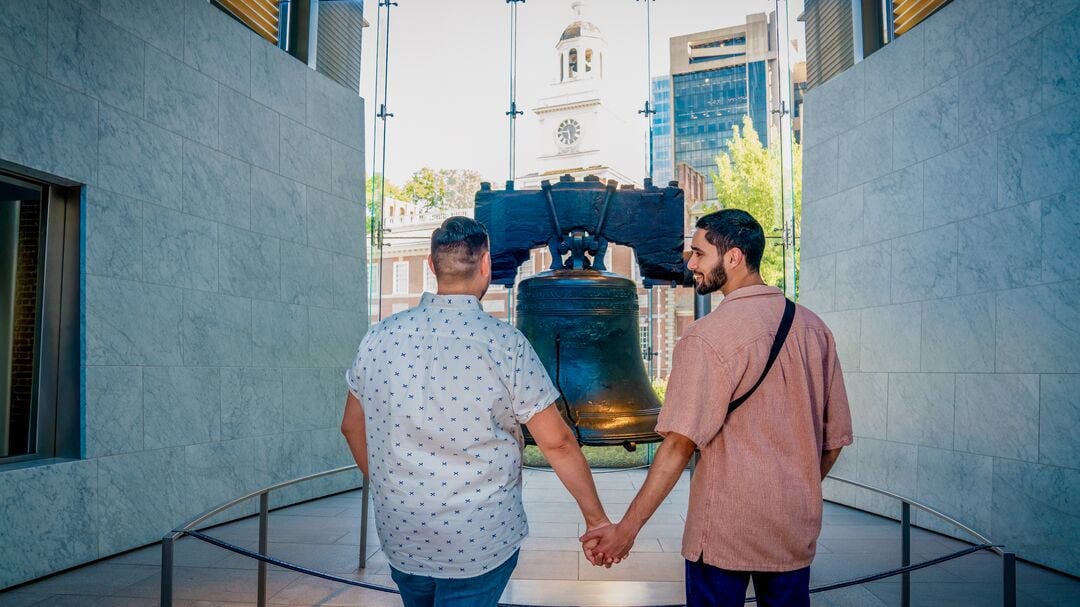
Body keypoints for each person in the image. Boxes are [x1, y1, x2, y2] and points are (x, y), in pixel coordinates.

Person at [580, 209, 853, 607]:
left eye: (699, 253)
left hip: (725, 527)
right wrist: (793, 490)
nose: (690, 264)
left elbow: (677, 446)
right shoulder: (815, 329)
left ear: (734, 257)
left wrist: (627, 530)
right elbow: (834, 440)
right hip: (794, 524)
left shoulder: (707, 337)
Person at [341, 216, 611, 607]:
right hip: (479, 538)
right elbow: (558, 444)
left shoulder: (377, 338)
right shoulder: (505, 344)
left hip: (401, 531)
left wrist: (393, 489)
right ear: (486, 264)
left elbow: (351, 428)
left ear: (431, 267)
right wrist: (597, 520)